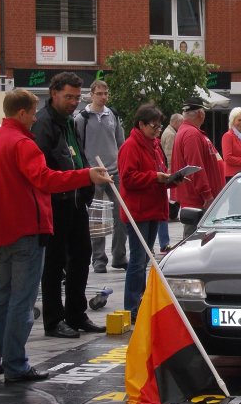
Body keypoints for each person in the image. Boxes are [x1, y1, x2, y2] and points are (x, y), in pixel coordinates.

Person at [0, 89, 111, 382]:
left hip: (1, 230)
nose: (34, 119)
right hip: (27, 229)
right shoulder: (22, 144)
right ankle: (16, 364)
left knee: (2, 296)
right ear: (21, 114)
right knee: (22, 299)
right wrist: (86, 175)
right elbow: (46, 179)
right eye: (31, 114)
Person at [31, 72, 108, 338]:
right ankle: (54, 320)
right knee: (54, 263)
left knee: (81, 256)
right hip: (56, 202)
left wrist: (87, 182)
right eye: (68, 97)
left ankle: (76, 313)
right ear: (54, 94)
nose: (73, 102)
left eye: (77, 97)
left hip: (75, 200)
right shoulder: (43, 124)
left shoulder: (71, 123)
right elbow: (42, 168)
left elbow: (78, 157)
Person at [117, 104, 173, 321]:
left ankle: (139, 301)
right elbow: (128, 178)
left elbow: (158, 170)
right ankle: (131, 307)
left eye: (159, 127)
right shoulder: (131, 146)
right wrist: (155, 177)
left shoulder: (154, 145)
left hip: (152, 207)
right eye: (154, 126)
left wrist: (170, 178)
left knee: (145, 258)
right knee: (138, 260)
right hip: (138, 210)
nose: (157, 130)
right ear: (140, 124)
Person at [74, 79, 127, 273]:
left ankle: (119, 256)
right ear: (91, 95)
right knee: (96, 217)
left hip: (114, 171)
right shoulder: (82, 118)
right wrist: (85, 169)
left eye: (106, 93)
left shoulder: (112, 114)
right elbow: (78, 147)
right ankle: (98, 259)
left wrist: (121, 163)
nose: (103, 97)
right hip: (94, 172)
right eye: (100, 94)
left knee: (121, 215)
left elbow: (121, 142)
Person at [172, 95, 225, 238]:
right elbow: (195, 168)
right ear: (201, 113)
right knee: (194, 240)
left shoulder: (190, 132)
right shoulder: (191, 134)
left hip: (197, 201)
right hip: (198, 202)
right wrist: (207, 195)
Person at [157, 113, 183, 251]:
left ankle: (163, 243)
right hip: (166, 175)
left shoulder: (167, 132)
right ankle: (163, 243)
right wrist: (172, 174)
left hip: (164, 175)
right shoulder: (171, 134)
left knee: (163, 211)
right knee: (165, 208)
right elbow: (170, 155)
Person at [221, 107, 241, 181]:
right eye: (239, 120)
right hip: (232, 175)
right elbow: (227, 158)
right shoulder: (228, 136)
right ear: (233, 121)